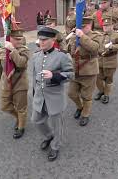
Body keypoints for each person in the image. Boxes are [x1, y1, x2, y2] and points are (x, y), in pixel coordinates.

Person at [32, 27, 74, 161]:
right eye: (40, 40)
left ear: (53, 39)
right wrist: (34, 93)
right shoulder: (35, 56)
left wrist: (54, 75)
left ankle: (55, 146)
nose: (41, 42)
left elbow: (71, 74)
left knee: (57, 125)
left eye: (45, 40)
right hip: (40, 96)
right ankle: (48, 136)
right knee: (36, 120)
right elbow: (34, 76)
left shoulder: (62, 56)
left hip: (55, 97)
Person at [0, 29, 30, 139]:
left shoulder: (24, 50)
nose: (20, 41)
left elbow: (21, 63)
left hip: (20, 83)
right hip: (7, 83)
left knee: (21, 108)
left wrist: (12, 49)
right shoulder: (2, 51)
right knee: (5, 106)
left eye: (20, 39)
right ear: (10, 39)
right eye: (16, 39)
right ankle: (18, 118)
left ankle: (21, 127)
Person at [66, 17, 102, 126]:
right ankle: (80, 107)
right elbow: (68, 50)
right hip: (75, 68)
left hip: (88, 70)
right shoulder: (74, 36)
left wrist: (82, 36)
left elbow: (95, 48)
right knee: (71, 93)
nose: (80, 29)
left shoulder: (96, 35)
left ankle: (85, 114)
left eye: (83, 27)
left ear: (89, 26)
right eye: (79, 27)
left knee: (86, 95)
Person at [95, 17, 118, 104]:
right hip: (100, 60)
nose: (105, 27)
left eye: (107, 25)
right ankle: (101, 91)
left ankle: (106, 95)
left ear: (112, 25)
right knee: (98, 78)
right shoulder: (100, 35)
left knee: (108, 79)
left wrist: (112, 47)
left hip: (110, 61)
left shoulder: (117, 35)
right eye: (104, 25)